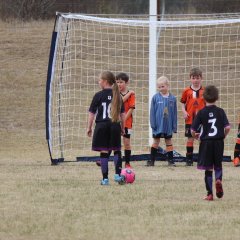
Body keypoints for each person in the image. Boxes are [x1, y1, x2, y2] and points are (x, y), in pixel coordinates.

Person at [191, 85, 230, 201]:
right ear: (217, 98)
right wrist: (223, 136)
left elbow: (192, 130)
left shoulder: (201, 113)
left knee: (208, 169)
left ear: (203, 98)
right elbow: (227, 127)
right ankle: (218, 179)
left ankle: (209, 194)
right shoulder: (220, 111)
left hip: (206, 143)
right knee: (218, 166)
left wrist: (196, 137)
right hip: (218, 142)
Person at [87, 71, 126, 185]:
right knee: (117, 150)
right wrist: (122, 128)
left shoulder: (98, 95)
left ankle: (105, 179)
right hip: (114, 125)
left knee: (104, 151)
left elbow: (91, 114)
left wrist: (89, 127)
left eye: (99, 80)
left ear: (105, 82)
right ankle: (118, 176)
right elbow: (122, 114)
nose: (99, 82)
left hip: (101, 126)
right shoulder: (118, 95)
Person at [146, 76, 177, 167]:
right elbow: (152, 112)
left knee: (168, 141)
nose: (160, 88)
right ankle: (152, 160)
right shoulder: (155, 98)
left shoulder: (172, 98)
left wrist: (174, 126)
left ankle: (171, 161)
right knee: (156, 141)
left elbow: (174, 113)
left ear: (168, 86)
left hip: (168, 125)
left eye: (162, 86)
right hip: (158, 125)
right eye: (159, 87)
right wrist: (153, 123)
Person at [180, 67, 205, 166]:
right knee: (190, 139)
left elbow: (208, 103)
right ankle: (189, 159)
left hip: (202, 121)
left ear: (201, 78)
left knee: (202, 138)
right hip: (190, 119)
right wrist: (184, 112)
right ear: (190, 78)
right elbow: (182, 103)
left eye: (198, 78)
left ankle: (202, 159)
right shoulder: (186, 91)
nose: (195, 80)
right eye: (193, 78)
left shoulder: (204, 90)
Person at [116, 72, 136, 168]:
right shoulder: (115, 93)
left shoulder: (132, 95)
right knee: (113, 142)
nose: (119, 84)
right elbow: (119, 102)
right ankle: (105, 158)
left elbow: (131, 109)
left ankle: (127, 163)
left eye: (121, 82)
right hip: (115, 122)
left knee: (126, 143)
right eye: (117, 82)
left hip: (127, 122)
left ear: (126, 82)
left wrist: (123, 120)